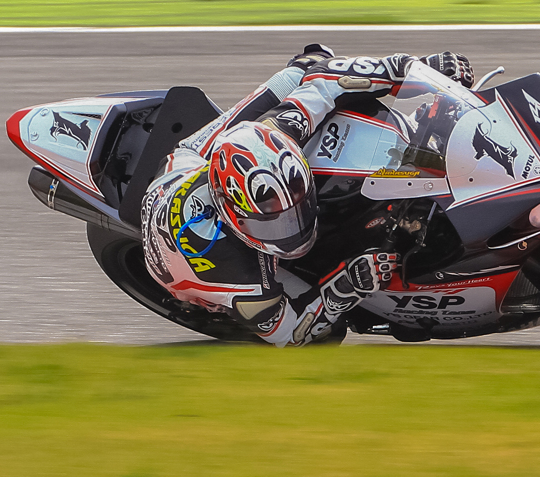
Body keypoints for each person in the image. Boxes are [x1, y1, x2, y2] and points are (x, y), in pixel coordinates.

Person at [140, 46, 474, 346]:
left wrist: (416, 70)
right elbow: (291, 333)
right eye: (274, 224)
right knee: (324, 338)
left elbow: (330, 81)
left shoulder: (283, 128)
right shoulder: (230, 268)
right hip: (184, 246)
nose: (292, 230)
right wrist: (342, 291)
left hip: (202, 160)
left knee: (307, 66)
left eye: (295, 211)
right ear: (232, 215)